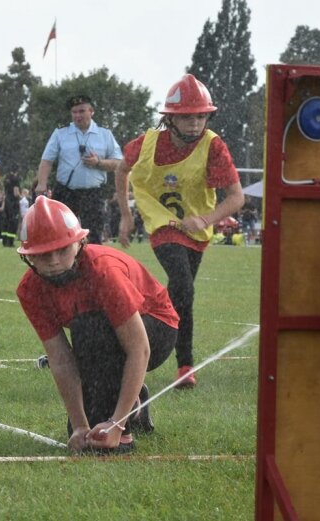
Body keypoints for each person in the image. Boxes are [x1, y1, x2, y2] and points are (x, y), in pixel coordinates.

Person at [16, 196, 178, 454]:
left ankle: (124, 434)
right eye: (44, 255)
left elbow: (139, 349)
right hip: (105, 333)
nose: (55, 261)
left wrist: (115, 425)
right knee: (84, 432)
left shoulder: (102, 272)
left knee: (89, 330)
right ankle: (135, 404)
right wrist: (80, 424)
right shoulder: (30, 290)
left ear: (79, 243)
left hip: (157, 326)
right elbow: (60, 359)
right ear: (29, 258)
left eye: (62, 250)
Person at [115, 74, 244, 389]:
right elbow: (122, 169)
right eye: (187, 117)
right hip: (162, 225)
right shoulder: (147, 141)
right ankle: (165, 357)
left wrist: (205, 219)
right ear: (170, 119)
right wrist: (126, 215)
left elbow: (237, 197)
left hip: (197, 234)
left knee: (181, 297)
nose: (196, 124)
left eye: (201, 116)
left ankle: (159, 338)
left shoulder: (214, 146)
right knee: (184, 289)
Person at [34, 95, 123, 245]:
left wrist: (99, 163)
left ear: (91, 111)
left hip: (93, 193)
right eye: (74, 112)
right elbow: (47, 160)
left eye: (81, 111)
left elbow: (119, 163)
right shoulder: (60, 133)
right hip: (66, 191)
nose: (77, 116)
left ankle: (92, 266)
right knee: (61, 234)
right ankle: (64, 267)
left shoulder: (104, 134)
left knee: (94, 235)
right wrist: (42, 183)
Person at [1, 172, 21, 248]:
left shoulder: (6, 179)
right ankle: (10, 242)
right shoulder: (15, 179)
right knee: (13, 221)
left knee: (6, 221)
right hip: (13, 203)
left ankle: (4, 241)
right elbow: (16, 193)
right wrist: (21, 196)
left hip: (7, 201)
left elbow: (5, 192)